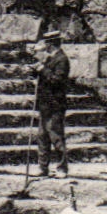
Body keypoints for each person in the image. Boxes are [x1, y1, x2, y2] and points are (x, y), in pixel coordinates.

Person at [33, 29, 70, 178]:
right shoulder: (49, 59)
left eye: (46, 43)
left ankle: (62, 168)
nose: (44, 46)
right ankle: (43, 167)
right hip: (45, 104)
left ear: (51, 44)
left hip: (55, 104)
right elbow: (43, 77)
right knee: (42, 136)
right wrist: (36, 70)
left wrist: (43, 70)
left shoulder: (62, 59)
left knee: (56, 136)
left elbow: (57, 80)